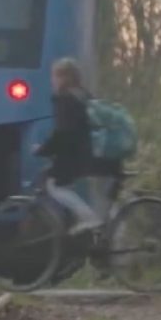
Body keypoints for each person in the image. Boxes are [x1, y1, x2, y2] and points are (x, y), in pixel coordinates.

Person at [33, 57, 107, 234]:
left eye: (54, 76)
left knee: (54, 185)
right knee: (62, 184)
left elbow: (63, 133)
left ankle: (89, 218)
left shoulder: (64, 98)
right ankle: (79, 231)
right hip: (91, 151)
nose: (52, 80)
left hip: (77, 155)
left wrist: (42, 150)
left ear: (63, 77)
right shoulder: (83, 94)